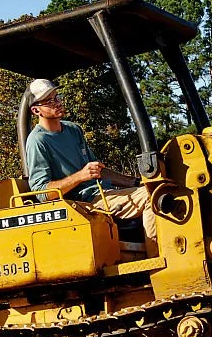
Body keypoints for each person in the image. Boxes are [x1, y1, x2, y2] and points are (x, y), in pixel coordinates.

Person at [22, 78, 156, 240]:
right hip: (85, 204)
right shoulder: (38, 141)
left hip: (105, 194)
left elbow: (97, 171)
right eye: (50, 101)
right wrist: (80, 176)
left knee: (156, 188)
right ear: (36, 111)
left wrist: (135, 182)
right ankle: (159, 256)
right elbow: (42, 192)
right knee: (153, 197)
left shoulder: (73, 130)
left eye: (57, 97)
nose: (57, 102)